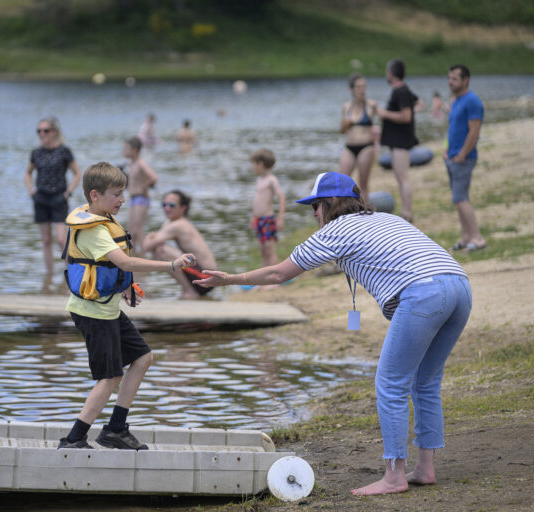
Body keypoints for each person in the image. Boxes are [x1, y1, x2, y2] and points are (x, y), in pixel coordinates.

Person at [194, 172, 471, 496]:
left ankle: (394, 476)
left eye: (315, 206)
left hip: (424, 293)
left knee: (390, 383)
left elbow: (279, 273)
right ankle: (424, 468)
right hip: (459, 286)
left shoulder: (335, 230)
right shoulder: (386, 218)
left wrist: (228, 279)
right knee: (425, 381)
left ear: (331, 203)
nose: (314, 214)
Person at [60, 162, 196, 449]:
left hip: (106, 308)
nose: (123, 199)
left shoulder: (103, 217)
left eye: (123, 193)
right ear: (95, 195)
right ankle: (73, 439)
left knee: (143, 357)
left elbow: (106, 266)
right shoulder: (94, 230)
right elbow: (124, 262)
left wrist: (124, 287)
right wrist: (171, 264)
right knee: (109, 377)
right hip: (93, 313)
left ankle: (116, 429)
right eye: (116, 194)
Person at [25, 117, 82, 277]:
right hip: (41, 198)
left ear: (54, 132)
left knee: (61, 240)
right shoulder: (36, 153)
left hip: (59, 197)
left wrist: (68, 192)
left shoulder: (64, 151)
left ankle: (72, 274)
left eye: (45, 130)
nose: (42, 134)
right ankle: (49, 276)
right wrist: (31, 191)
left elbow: (77, 173)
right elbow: (28, 173)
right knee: (45, 240)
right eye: (39, 131)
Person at [143, 190, 217, 299]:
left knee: (161, 251)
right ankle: (190, 289)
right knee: (162, 249)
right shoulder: (174, 222)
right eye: (164, 205)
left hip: (206, 278)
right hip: (207, 277)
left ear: (183, 208)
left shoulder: (178, 225)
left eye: (172, 205)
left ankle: (189, 291)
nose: (167, 208)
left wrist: (150, 235)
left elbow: (146, 247)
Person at [445, 64, 485, 252]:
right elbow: (453, 129)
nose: (450, 82)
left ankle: (478, 239)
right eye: (449, 78)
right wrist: (447, 149)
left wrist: (462, 154)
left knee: (460, 198)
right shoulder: (455, 101)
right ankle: (466, 237)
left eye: (454, 79)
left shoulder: (473, 101)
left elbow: (474, 131)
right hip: (452, 157)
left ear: (465, 80)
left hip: (464, 158)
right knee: (458, 199)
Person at [377, 59, 423, 223]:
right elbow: (419, 103)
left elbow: (406, 116)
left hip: (401, 141)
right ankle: (405, 211)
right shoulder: (402, 90)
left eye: (386, 71)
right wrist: (411, 112)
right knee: (400, 176)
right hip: (398, 140)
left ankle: (407, 213)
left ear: (391, 73)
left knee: (403, 177)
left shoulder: (401, 91)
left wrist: (384, 114)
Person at [339, 73, 378, 202]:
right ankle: (342, 210)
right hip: (349, 147)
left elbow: (384, 119)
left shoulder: (371, 105)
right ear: (351, 89)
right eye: (358, 87)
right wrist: (345, 124)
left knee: (363, 183)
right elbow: (341, 131)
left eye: (364, 86)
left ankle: (364, 210)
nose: (362, 90)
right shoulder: (346, 106)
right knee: (342, 182)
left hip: (366, 147)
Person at [250, 149, 285, 268]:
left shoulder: (272, 180)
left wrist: (280, 218)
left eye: (253, 164)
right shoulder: (259, 179)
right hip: (258, 219)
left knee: (270, 249)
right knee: (263, 250)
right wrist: (253, 217)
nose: (253, 167)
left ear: (260, 164)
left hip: (267, 219)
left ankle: (274, 274)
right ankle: (264, 275)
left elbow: (281, 197)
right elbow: (257, 200)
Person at [124, 136, 158, 253]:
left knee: (137, 230)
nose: (124, 150)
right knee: (131, 231)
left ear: (135, 150)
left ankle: (142, 255)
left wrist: (143, 186)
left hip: (141, 198)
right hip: (133, 199)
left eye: (127, 148)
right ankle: (133, 256)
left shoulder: (140, 163)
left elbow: (153, 177)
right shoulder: (131, 163)